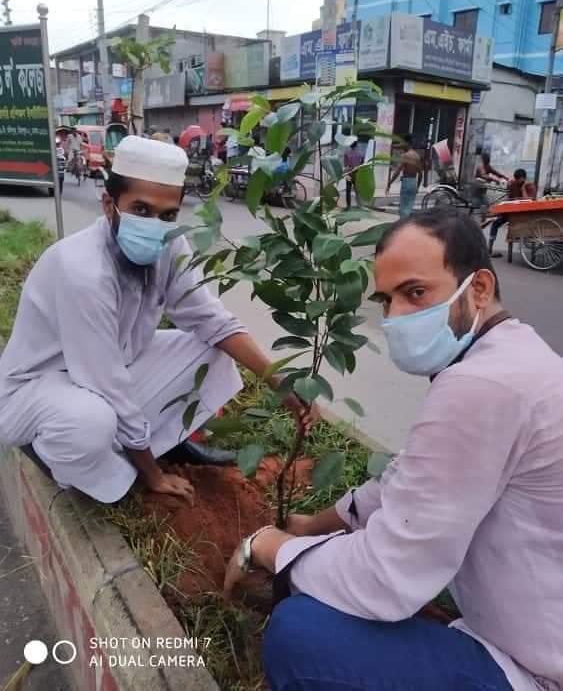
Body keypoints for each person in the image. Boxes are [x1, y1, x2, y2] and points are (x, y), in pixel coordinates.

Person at [224, 208, 563, 691]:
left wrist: (269, 548)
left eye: (416, 293)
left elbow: (387, 576)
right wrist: (313, 526)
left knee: (300, 636)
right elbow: (406, 483)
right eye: (387, 300)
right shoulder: (509, 357)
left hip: (536, 669)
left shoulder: (484, 384)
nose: (396, 317)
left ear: (480, 289)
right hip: (530, 635)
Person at [0, 136, 316, 504]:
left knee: (211, 349)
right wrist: (154, 476)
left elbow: (213, 321)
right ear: (109, 204)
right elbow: (107, 383)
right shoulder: (82, 271)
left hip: (103, 368)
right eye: (141, 210)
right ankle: (65, 456)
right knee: (90, 424)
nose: (155, 225)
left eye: (167, 215)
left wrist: (282, 385)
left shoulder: (169, 246)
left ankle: (162, 444)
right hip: (38, 389)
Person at [488, 169, 536, 258]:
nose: (517, 181)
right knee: (495, 223)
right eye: (516, 179)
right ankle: (489, 249)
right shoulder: (513, 184)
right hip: (510, 213)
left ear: (524, 179)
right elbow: (509, 199)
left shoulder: (530, 186)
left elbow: (528, 201)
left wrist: (523, 188)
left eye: (519, 179)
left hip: (523, 215)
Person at [385, 134, 422, 217]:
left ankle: (402, 226)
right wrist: (418, 187)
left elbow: (397, 171)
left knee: (403, 209)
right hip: (413, 183)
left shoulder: (405, 156)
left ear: (406, 143)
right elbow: (421, 174)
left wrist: (389, 183)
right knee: (409, 207)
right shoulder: (417, 156)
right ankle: (408, 226)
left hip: (406, 182)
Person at [343, 141, 364, 210]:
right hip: (357, 173)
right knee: (357, 190)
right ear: (356, 145)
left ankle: (348, 206)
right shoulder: (360, 154)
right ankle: (359, 205)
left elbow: (345, 165)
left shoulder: (346, 153)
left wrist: (346, 173)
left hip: (349, 173)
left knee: (348, 190)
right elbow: (362, 164)